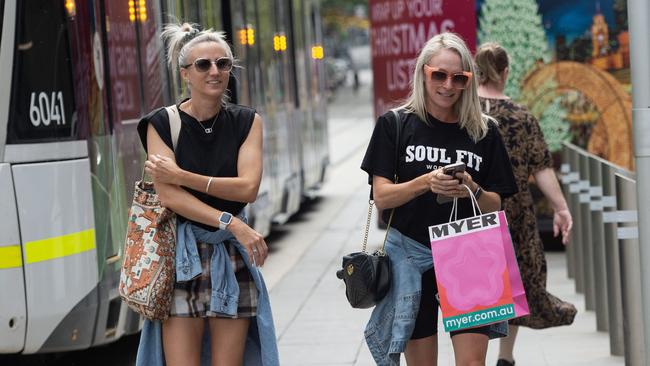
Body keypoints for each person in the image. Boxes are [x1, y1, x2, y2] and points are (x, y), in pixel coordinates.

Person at [361, 32, 518, 366]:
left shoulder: (484, 131)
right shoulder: (396, 124)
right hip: (410, 252)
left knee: (473, 362)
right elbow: (383, 197)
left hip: (470, 250)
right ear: (423, 73)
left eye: (459, 77)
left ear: (468, 81)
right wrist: (426, 182)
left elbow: (496, 204)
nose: (448, 85)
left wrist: (472, 189)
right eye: (440, 75)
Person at [135, 22, 279, 366]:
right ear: (185, 73)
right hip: (182, 257)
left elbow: (248, 187)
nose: (215, 71)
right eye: (203, 65)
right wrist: (231, 222)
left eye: (223, 64)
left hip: (231, 259)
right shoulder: (161, 123)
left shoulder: (247, 121)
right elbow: (171, 197)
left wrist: (183, 175)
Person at [475, 42, 577, 366]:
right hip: (514, 216)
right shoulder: (522, 117)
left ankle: (472, 354)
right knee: (513, 286)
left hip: (469, 213)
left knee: (474, 289)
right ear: (506, 73)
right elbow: (542, 168)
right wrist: (561, 208)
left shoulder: (463, 112)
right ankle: (505, 356)